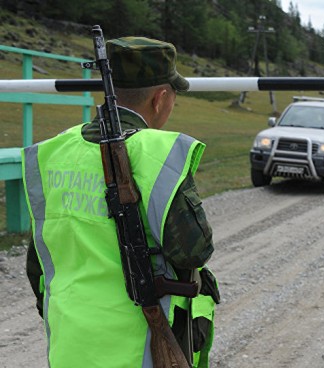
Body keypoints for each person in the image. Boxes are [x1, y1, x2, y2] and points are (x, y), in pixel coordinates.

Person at [22, 37, 219, 367]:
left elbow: (38, 262)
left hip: (71, 345)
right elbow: (195, 249)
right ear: (160, 99)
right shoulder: (160, 155)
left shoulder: (52, 153)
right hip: (137, 352)